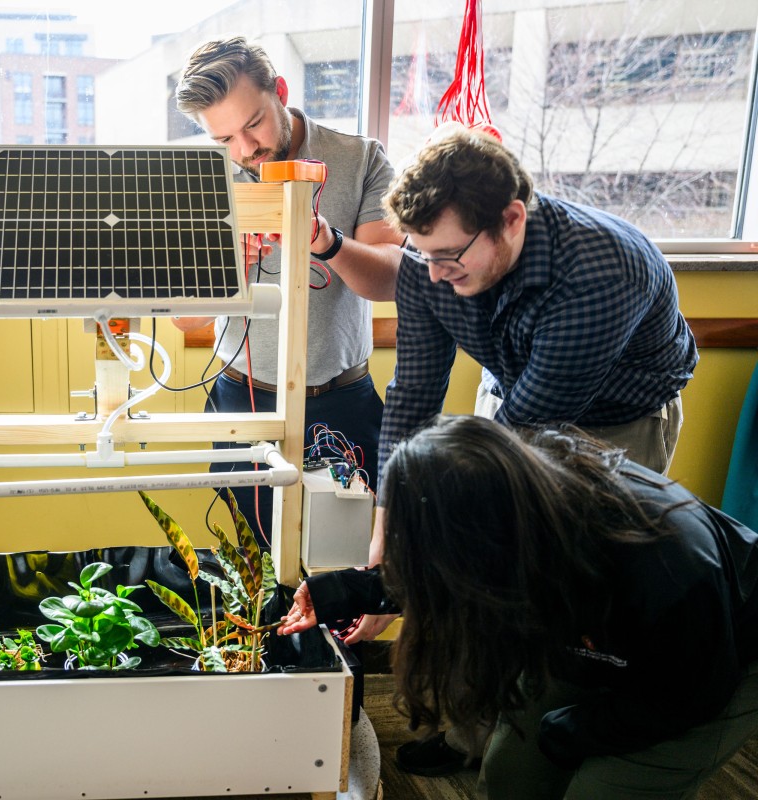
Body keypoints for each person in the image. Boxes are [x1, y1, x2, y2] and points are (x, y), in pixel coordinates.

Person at [347, 124, 699, 775]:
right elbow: (413, 395)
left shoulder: (600, 267)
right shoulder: (432, 260)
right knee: (479, 565)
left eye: (450, 256)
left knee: (560, 579)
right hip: (515, 389)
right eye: (419, 253)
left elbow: (530, 436)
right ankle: (470, 735)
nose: (433, 274)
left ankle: (557, 735)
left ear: (511, 218)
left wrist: (409, 564)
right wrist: (387, 521)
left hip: (615, 423)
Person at [280, 415, 758, 799]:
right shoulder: (506, 514)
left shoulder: (667, 564)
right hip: (586, 631)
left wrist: (580, 730)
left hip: (710, 667)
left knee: (599, 787)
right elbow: (447, 568)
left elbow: (693, 694)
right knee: (512, 769)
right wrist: (337, 593)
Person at [171, 36, 402, 538]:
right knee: (257, 565)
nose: (244, 150)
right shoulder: (203, 178)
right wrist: (224, 269)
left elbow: (390, 277)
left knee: (344, 561)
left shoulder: (359, 158)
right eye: (224, 139)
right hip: (241, 400)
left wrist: (327, 242)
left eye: (253, 124)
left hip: (342, 400)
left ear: (279, 89)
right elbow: (184, 318)